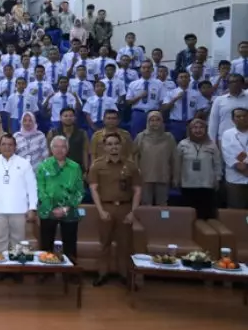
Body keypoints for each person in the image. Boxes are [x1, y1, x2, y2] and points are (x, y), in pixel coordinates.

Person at [0, 134, 38, 282]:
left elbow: (32, 187)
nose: (7, 147)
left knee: (18, 241)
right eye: (4, 144)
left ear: (15, 147)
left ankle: (18, 270)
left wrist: (32, 207)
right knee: (0, 241)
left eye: (10, 145)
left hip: (19, 209)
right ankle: (0, 269)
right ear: (0, 146)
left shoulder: (24, 163)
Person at [88, 132, 142, 287]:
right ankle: (102, 274)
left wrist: (133, 212)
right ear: (104, 147)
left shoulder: (131, 166)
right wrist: (100, 211)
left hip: (125, 208)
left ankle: (125, 276)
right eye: (109, 144)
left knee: (125, 245)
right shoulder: (97, 165)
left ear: (121, 146)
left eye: (116, 144)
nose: (113, 147)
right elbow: (94, 189)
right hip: (105, 207)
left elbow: (137, 190)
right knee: (104, 244)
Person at [36, 136, 86, 265]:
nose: (59, 150)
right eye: (56, 146)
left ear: (67, 149)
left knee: (70, 245)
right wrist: (52, 208)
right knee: (46, 244)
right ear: (51, 149)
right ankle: (45, 273)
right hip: (48, 210)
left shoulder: (75, 167)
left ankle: (70, 273)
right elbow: (40, 189)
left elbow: (80, 191)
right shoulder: (43, 166)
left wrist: (65, 208)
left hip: (69, 211)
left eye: (63, 146)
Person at [174, 118, 221, 220]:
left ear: (205, 129)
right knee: (189, 215)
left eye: (201, 127)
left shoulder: (212, 145)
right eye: (195, 128)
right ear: (190, 129)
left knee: (205, 214)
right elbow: (177, 164)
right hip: (188, 184)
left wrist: (217, 178)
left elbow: (217, 164)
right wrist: (176, 179)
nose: (198, 130)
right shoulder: (182, 144)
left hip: (207, 184)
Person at [133, 111, 177, 205]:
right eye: (151, 120)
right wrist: (136, 174)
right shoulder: (141, 137)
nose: (154, 122)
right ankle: (146, 220)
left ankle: (163, 220)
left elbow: (175, 159)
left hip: (163, 176)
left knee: (162, 207)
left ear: (162, 122)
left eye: (157, 120)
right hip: (144, 177)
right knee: (146, 205)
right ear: (147, 122)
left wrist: (176, 177)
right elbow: (134, 157)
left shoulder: (169, 138)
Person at [221, 107, 248, 208]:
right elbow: (229, 156)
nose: (242, 118)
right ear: (233, 120)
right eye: (238, 116)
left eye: (244, 116)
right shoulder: (227, 134)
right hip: (234, 179)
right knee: (235, 212)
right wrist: (241, 166)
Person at [209, 74, 248, 142]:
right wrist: (212, 142)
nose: (234, 84)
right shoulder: (219, 100)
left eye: (237, 81)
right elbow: (213, 122)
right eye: (231, 82)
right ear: (228, 84)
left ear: (242, 83)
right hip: (225, 139)